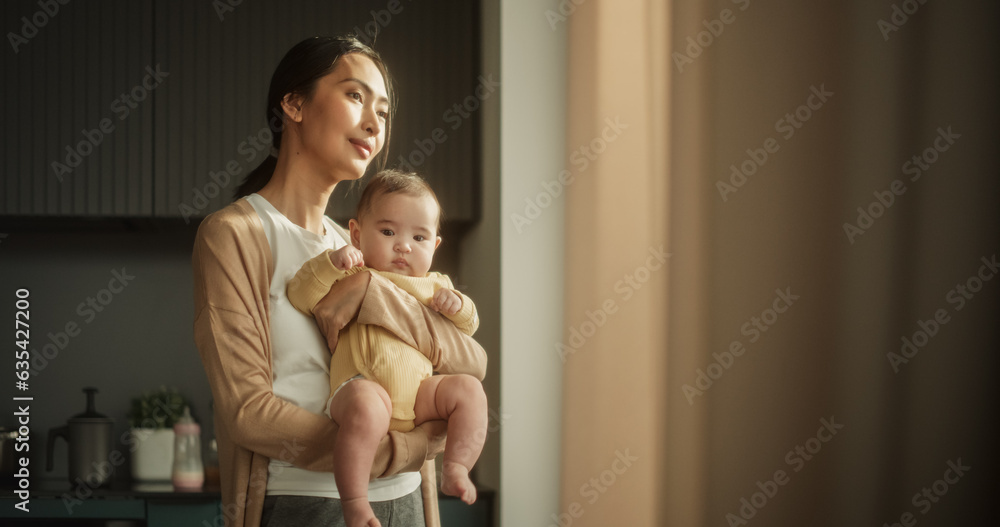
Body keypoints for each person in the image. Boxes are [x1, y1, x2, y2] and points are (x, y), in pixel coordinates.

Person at [191, 36, 487, 527]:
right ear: (293, 104)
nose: (375, 123)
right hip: (308, 504)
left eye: (384, 111)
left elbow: (470, 361)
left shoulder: (367, 247)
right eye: (355, 96)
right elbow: (248, 412)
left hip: (409, 501)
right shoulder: (236, 235)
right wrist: (399, 450)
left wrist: (371, 295)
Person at [286, 170, 487, 526]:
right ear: (357, 234)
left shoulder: (435, 285)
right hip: (362, 385)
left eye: (419, 237)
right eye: (388, 232)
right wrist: (330, 264)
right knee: (366, 407)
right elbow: (301, 295)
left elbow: (469, 327)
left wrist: (458, 305)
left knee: (469, 390)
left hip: (420, 396)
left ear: (435, 245)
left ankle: (457, 466)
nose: (404, 246)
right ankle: (355, 501)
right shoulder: (350, 273)